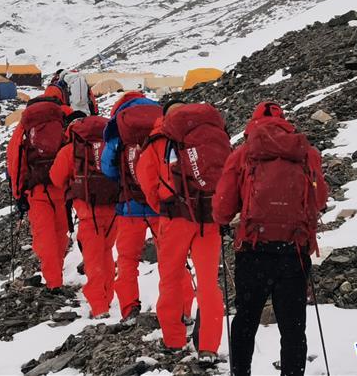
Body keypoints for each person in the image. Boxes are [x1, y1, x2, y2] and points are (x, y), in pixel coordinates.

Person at [214, 102, 329, 376]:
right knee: (293, 326)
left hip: (254, 250)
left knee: (246, 320)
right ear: (285, 122)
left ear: (252, 125)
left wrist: (223, 223)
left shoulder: (243, 154)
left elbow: (222, 206)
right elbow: (320, 200)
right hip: (294, 252)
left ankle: (240, 372)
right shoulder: (305, 153)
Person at [138, 100, 232, 358]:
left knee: (170, 280)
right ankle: (209, 347)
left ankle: (174, 340)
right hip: (207, 217)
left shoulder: (158, 139)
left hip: (174, 218)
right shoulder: (210, 132)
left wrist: (163, 206)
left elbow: (146, 181)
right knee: (208, 284)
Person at [100, 91, 191, 324]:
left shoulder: (118, 127)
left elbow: (107, 168)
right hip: (162, 206)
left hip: (129, 207)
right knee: (174, 259)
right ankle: (183, 309)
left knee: (127, 260)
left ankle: (130, 308)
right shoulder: (162, 122)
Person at [50, 113, 119, 318]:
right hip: (113, 209)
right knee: (107, 253)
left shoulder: (71, 150)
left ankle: (99, 306)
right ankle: (107, 297)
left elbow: (56, 178)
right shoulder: (111, 146)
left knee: (93, 259)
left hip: (89, 213)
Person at [6, 96, 70, 290]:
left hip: (37, 190)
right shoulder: (61, 122)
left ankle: (54, 283)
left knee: (45, 237)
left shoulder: (24, 128)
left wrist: (18, 195)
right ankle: (56, 274)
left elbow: (16, 161)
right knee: (60, 233)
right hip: (60, 186)